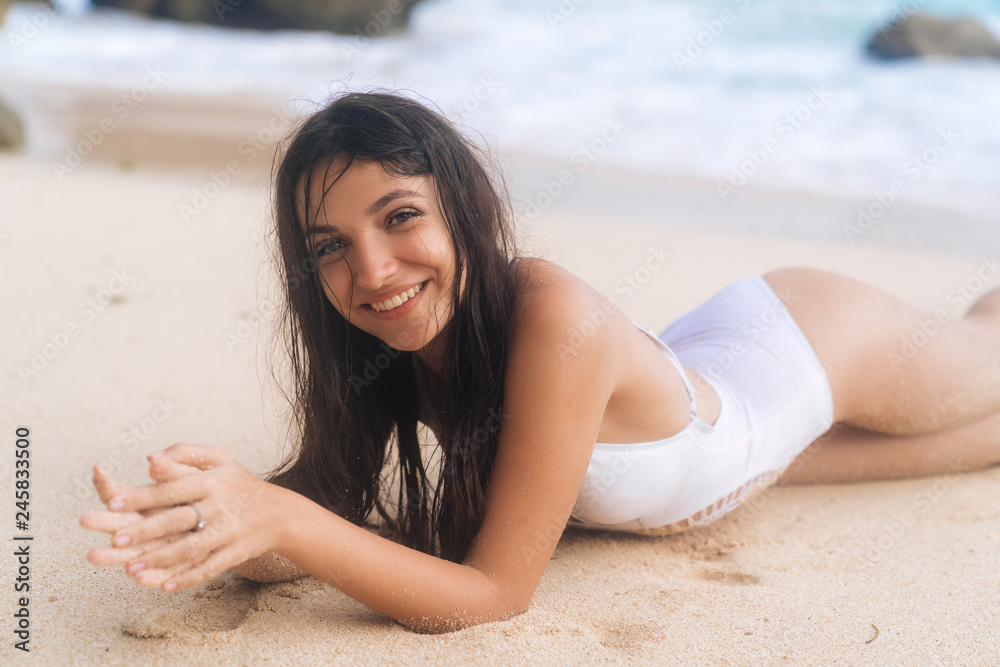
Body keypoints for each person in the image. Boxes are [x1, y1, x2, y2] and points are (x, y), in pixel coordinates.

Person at [80, 91, 1000, 634]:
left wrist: (284, 516)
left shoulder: (550, 319)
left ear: (463, 210)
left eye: (401, 218)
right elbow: (328, 518)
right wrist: (221, 517)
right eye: (330, 245)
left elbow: (492, 593)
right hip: (701, 433)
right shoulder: (383, 345)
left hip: (806, 351)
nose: (371, 271)